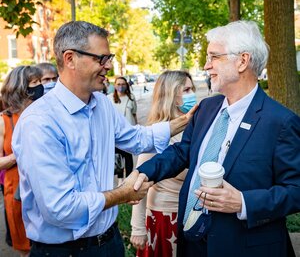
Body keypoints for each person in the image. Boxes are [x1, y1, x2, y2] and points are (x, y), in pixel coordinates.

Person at [11, 21, 195, 257]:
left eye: (110, 57)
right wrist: (123, 194)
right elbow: (60, 208)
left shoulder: (102, 105)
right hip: (64, 252)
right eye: (102, 59)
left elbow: (136, 138)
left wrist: (184, 121)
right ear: (70, 59)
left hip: (109, 242)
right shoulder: (39, 122)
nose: (109, 66)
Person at [134, 20, 300, 257]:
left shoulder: (281, 121)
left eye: (213, 57)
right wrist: (145, 172)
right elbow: (183, 152)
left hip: (244, 247)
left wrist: (243, 202)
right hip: (193, 241)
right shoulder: (207, 108)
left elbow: (295, 190)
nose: (206, 65)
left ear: (242, 61)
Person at [130, 70, 197, 257]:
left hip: (188, 214)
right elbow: (140, 182)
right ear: (172, 96)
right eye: (187, 90)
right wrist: (137, 229)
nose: (193, 94)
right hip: (165, 217)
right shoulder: (157, 134)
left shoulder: (193, 129)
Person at [0, 65, 43, 257]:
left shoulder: (43, 114)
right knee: (25, 249)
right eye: (35, 82)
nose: (40, 86)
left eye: (40, 81)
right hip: (17, 193)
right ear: (21, 88)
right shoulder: (5, 120)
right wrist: (20, 152)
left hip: (44, 191)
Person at [109, 76, 137, 185]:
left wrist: (136, 126)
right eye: (118, 84)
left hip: (128, 132)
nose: (121, 86)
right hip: (115, 133)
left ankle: (128, 180)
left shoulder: (131, 98)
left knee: (128, 157)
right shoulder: (109, 98)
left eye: (123, 84)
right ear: (115, 86)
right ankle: (120, 179)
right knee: (118, 157)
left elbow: (134, 113)